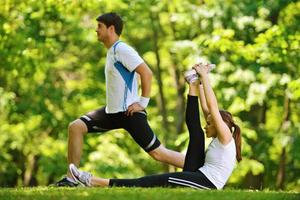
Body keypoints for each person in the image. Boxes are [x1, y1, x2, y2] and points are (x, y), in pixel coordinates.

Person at [55, 12, 185, 187]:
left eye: (99, 26)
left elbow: (146, 73)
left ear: (111, 28)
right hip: (111, 112)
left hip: (129, 113)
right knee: (76, 127)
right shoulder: (112, 51)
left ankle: (202, 169)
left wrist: (142, 103)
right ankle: (72, 178)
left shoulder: (122, 49)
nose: (96, 30)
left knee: (158, 154)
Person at [68, 63, 242, 189]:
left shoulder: (225, 136)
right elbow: (206, 110)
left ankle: (93, 181)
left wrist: (205, 76)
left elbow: (212, 107)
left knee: (150, 181)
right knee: (195, 132)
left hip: (206, 182)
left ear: (221, 125)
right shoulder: (222, 138)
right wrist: (198, 85)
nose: (207, 126)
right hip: (199, 172)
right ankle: (193, 84)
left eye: (210, 123)